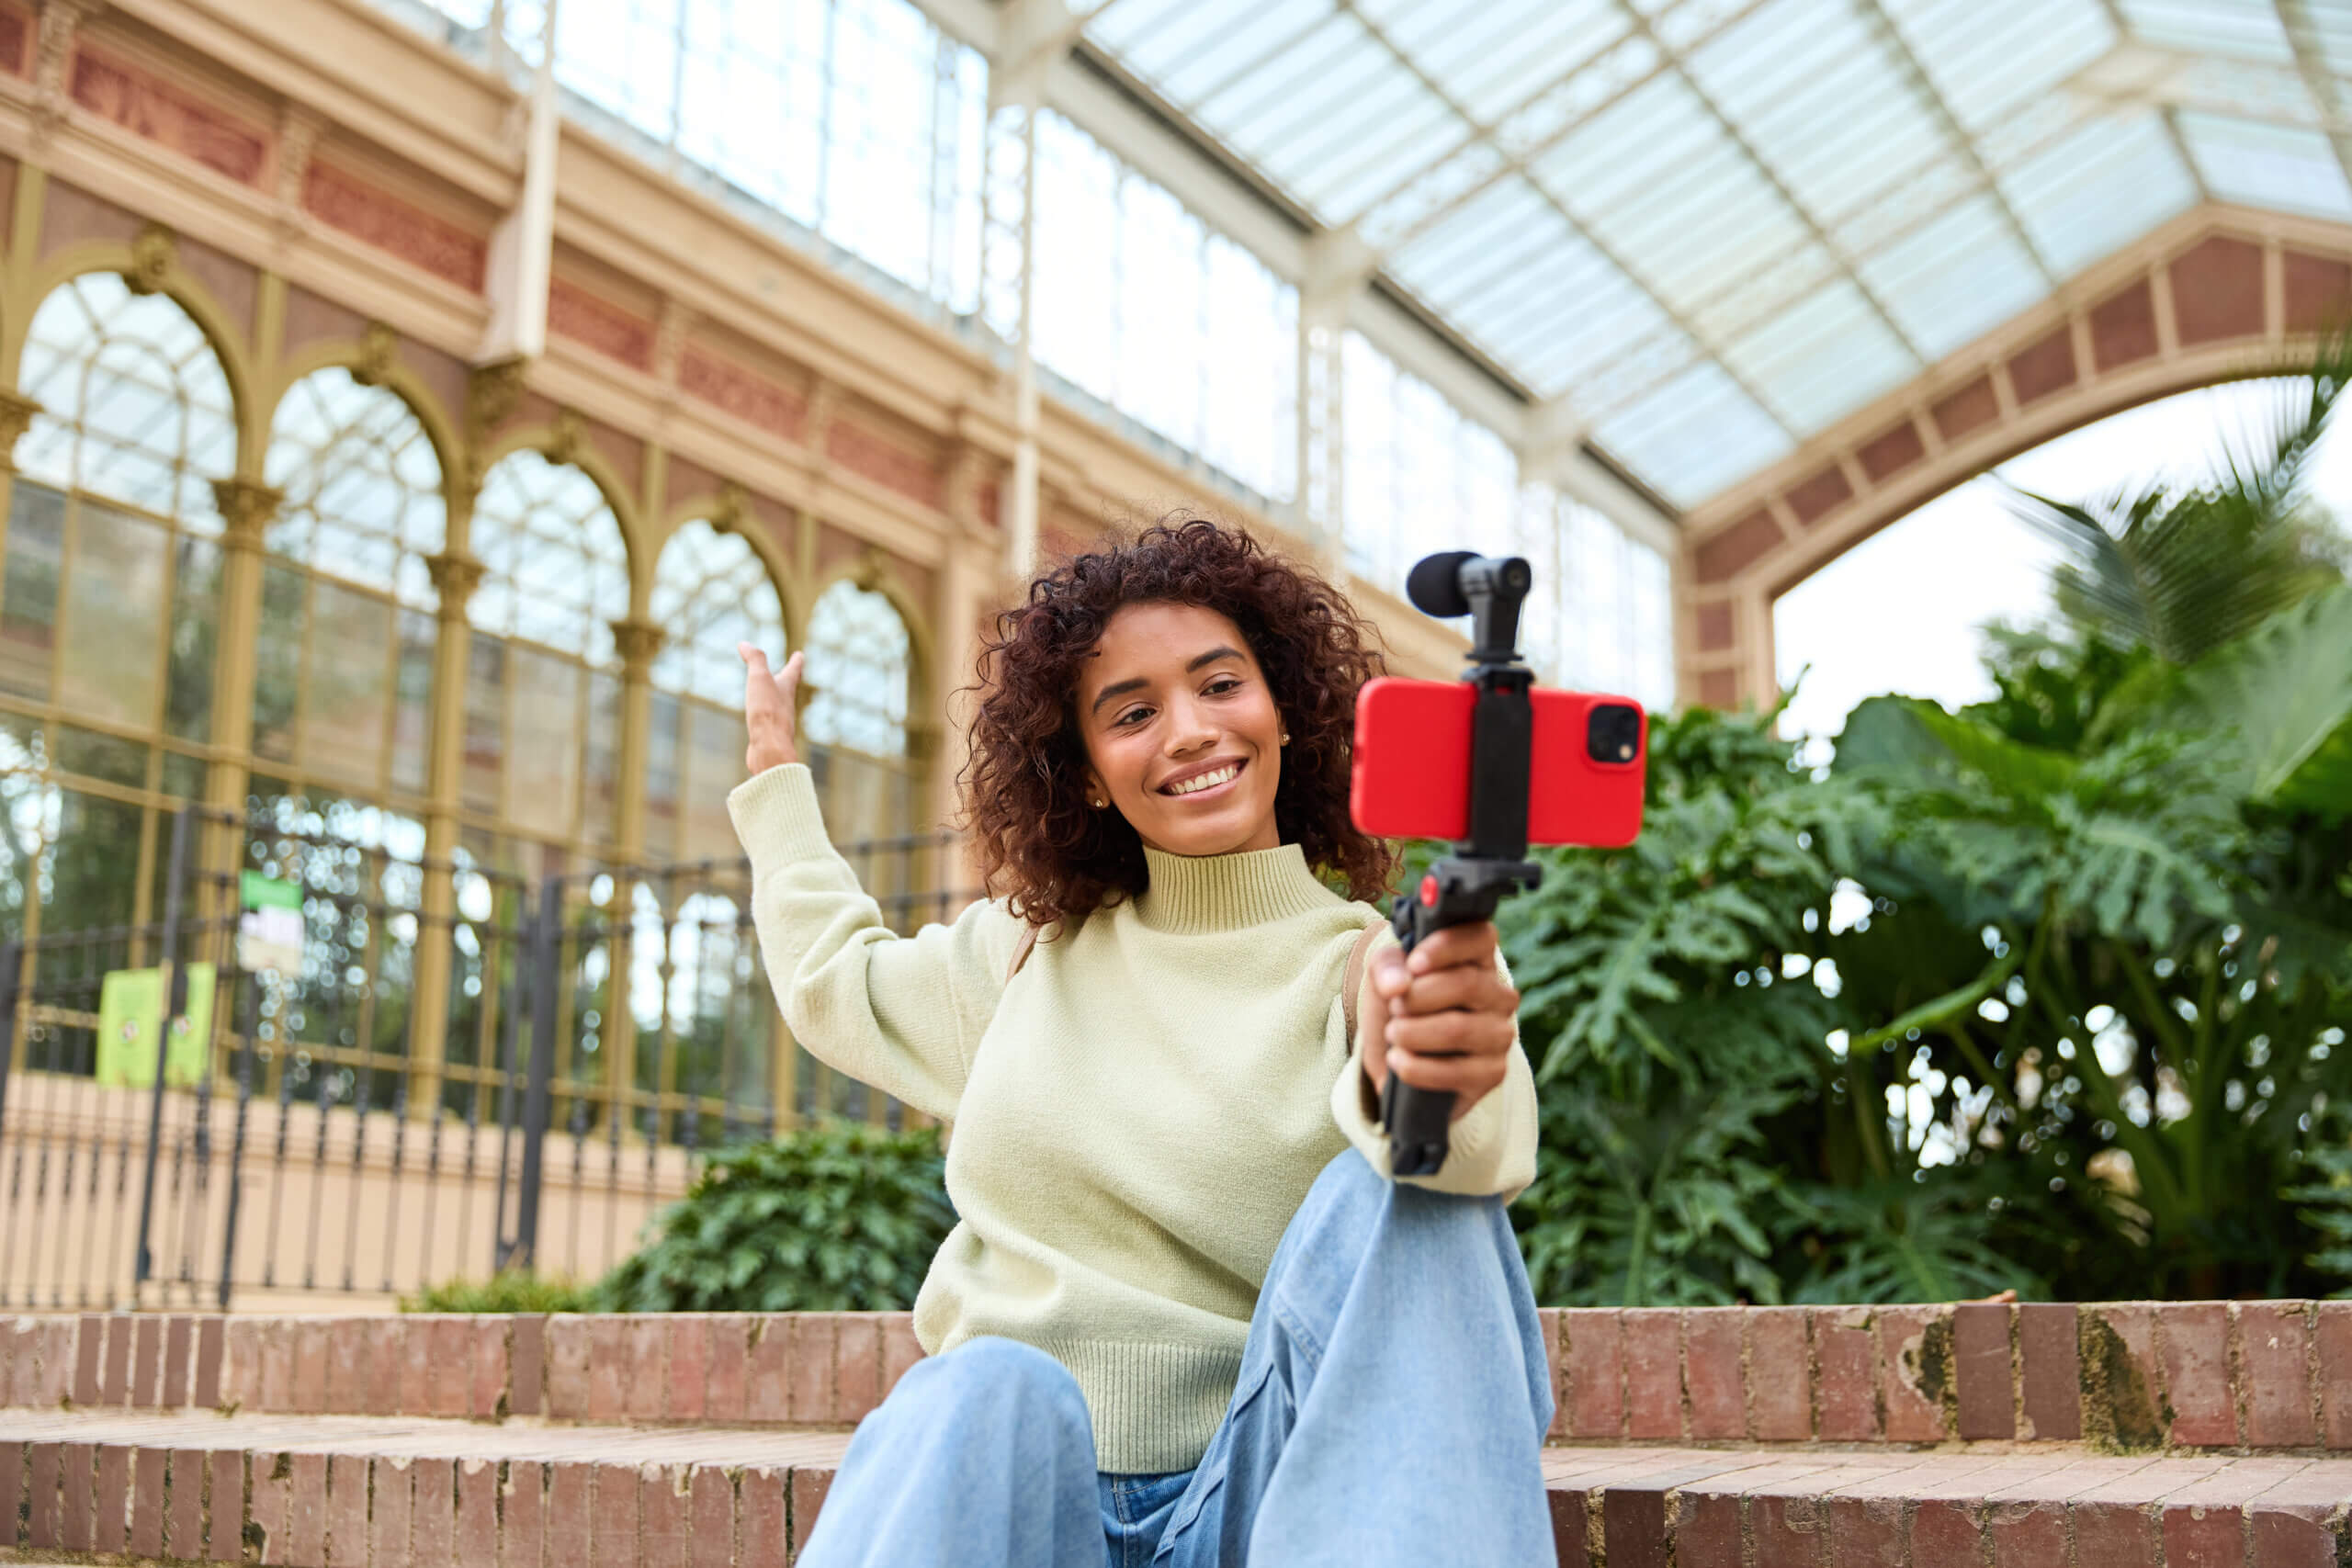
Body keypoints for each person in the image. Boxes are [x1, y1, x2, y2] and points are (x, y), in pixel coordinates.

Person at [729, 520, 1552, 1567]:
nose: (1190, 731)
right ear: (1083, 774)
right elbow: (833, 983)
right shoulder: (1026, 959)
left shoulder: (1373, 967)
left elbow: (1478, 1137)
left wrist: (1427, 1080)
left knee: (1408, 1198)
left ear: (1285, 712)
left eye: (1220, 686)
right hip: (1030, 1503)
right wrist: (776, 786)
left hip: (1270, 1498)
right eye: (1132, 712)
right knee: (983, 1384)